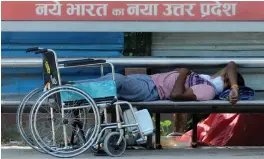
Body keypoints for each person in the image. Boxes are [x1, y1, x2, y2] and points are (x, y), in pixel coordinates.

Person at [84, 61, 245, 104]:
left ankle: (73, 92)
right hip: (148, 80)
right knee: (111, 80)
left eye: (226, 80)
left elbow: (176, 95)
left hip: (151, 90)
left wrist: (183, 72)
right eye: (226, 77)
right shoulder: (208, 79)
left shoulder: (208, 91)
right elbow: (231, 65)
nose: (223, 76)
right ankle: (71, 89)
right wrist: (235, 87)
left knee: (115, 80)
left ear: (226, 85)